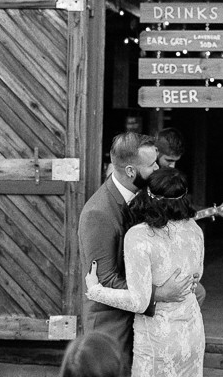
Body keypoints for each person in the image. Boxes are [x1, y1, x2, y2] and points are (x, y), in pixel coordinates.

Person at [78, 132, 194, 377]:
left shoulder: (144, 194)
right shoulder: (98, 213)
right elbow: (104, 279)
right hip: (112, 323)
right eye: (152, 164)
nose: (158, 168)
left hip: (141, 319)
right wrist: (159, 293)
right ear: (131, 171)